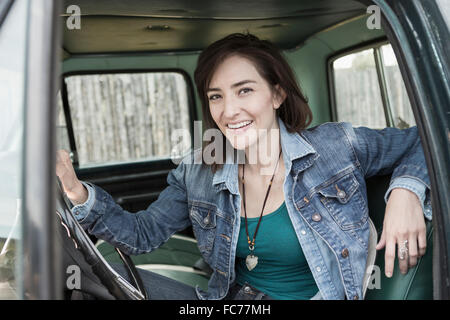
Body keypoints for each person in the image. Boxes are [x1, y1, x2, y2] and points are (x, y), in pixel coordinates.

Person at [56, 33, 432, 300]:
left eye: (244, 90)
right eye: (216, 96)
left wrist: (406, 191)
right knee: (99, 277)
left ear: (277, 93)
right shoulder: (199, 169)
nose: (228, 110)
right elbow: (141, 235)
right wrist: (74, 189)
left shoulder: (336, 145)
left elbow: (428, 137)